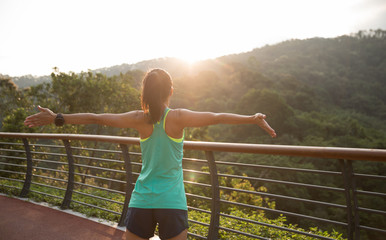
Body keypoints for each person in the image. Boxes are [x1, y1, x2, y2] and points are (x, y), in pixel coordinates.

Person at [24, 68, 276, 240]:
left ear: (145, 92)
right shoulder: (178, 117)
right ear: (170, 91)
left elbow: (96, 117)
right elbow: (217, 117)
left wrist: (57, 117)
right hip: (171, 202)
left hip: (142, 200)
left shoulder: (138, 119)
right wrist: (252, 118)